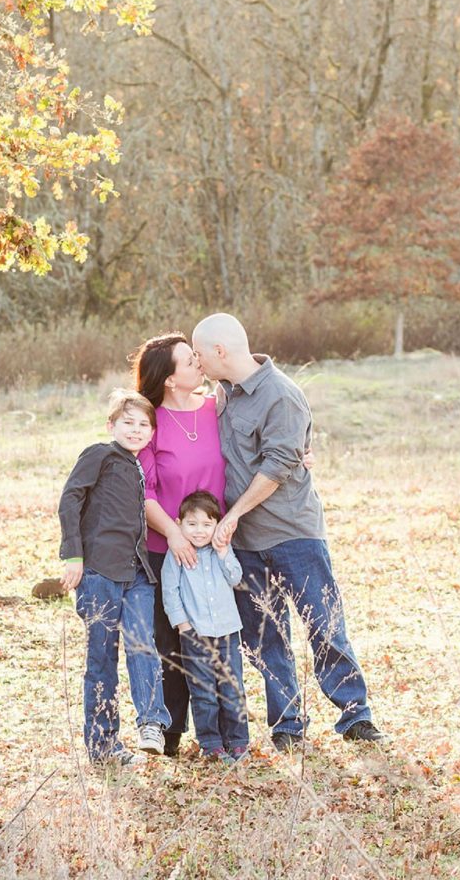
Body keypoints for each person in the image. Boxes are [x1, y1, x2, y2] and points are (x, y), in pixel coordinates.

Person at [191, 312, 385, 751]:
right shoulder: (220, 399)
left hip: (292, 533)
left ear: (220, 351)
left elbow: (277, 466)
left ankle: (356, 714)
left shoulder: (281, 396)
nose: (198, 362)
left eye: (201, 353)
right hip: (242, 543)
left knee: (324, 624)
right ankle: (288, 726)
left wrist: (233, 514)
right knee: (263, 636)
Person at [58, 388, 172, 767]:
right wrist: (73, 554)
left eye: (144, 425)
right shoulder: (100, 454)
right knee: (102, 659)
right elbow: (70, 498)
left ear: (152, 433)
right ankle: (103, 744)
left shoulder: (139, 467)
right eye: (128, 423)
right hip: (100, 572)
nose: (136, 430)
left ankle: (152, 723)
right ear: (111, 425)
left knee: (144, 645)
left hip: (137, 572)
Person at [133, 332, 225, 757]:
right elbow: (144, 490)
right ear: (170, 379)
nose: (199, 363)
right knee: (169, 639)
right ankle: (169, 733)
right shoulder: (149, 422)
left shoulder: (217, 407)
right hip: (164, 547)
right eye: (190, 360)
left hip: (215, 547)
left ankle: (222, 732)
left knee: (215, 636)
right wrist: (172, 533)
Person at [160, 490, 249, 763]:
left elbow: (236, 578)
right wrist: (183, 625)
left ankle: (237, 741)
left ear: (217, 525)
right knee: (204, 691)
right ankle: (211, 743)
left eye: (207, 525)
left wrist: (223, 552)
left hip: (227, 631)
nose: (199, 531)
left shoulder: (221, 551)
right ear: (179, 524)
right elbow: (170, 591)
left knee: (232, 687)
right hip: (195, 633)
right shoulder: (176, 555)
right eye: (192, 524)